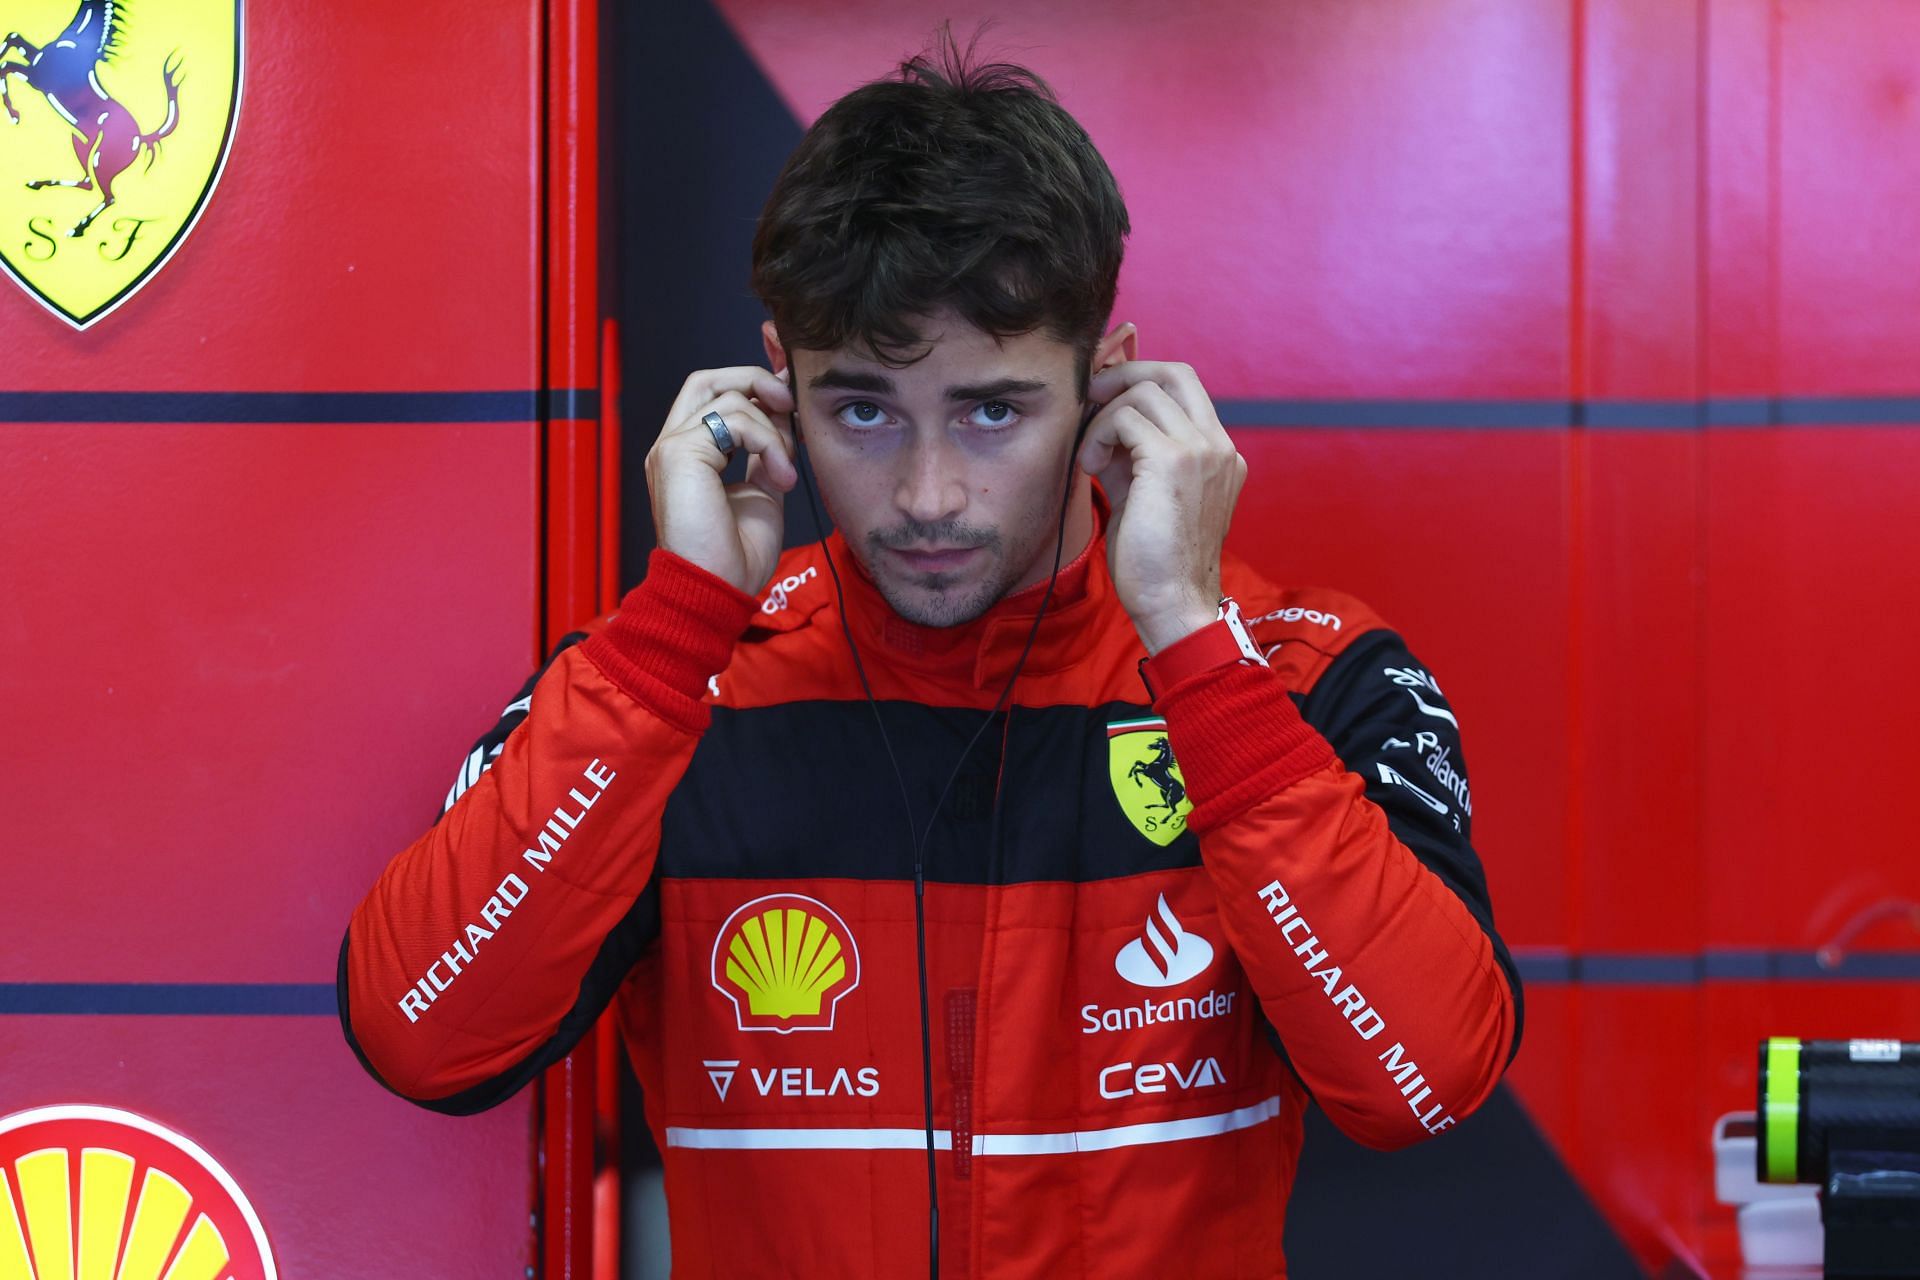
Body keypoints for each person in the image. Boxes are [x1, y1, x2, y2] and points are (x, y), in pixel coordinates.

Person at [339, 29, 1521, 1279]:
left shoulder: (1297, 675)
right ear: (777, 386)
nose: (929, 493)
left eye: (993, 409)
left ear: (1110, 387)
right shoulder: (675, 689)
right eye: (863, 410)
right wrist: (675, 625)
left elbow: (1426, 1079)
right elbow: (425, 1033)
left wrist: (1188, 637)